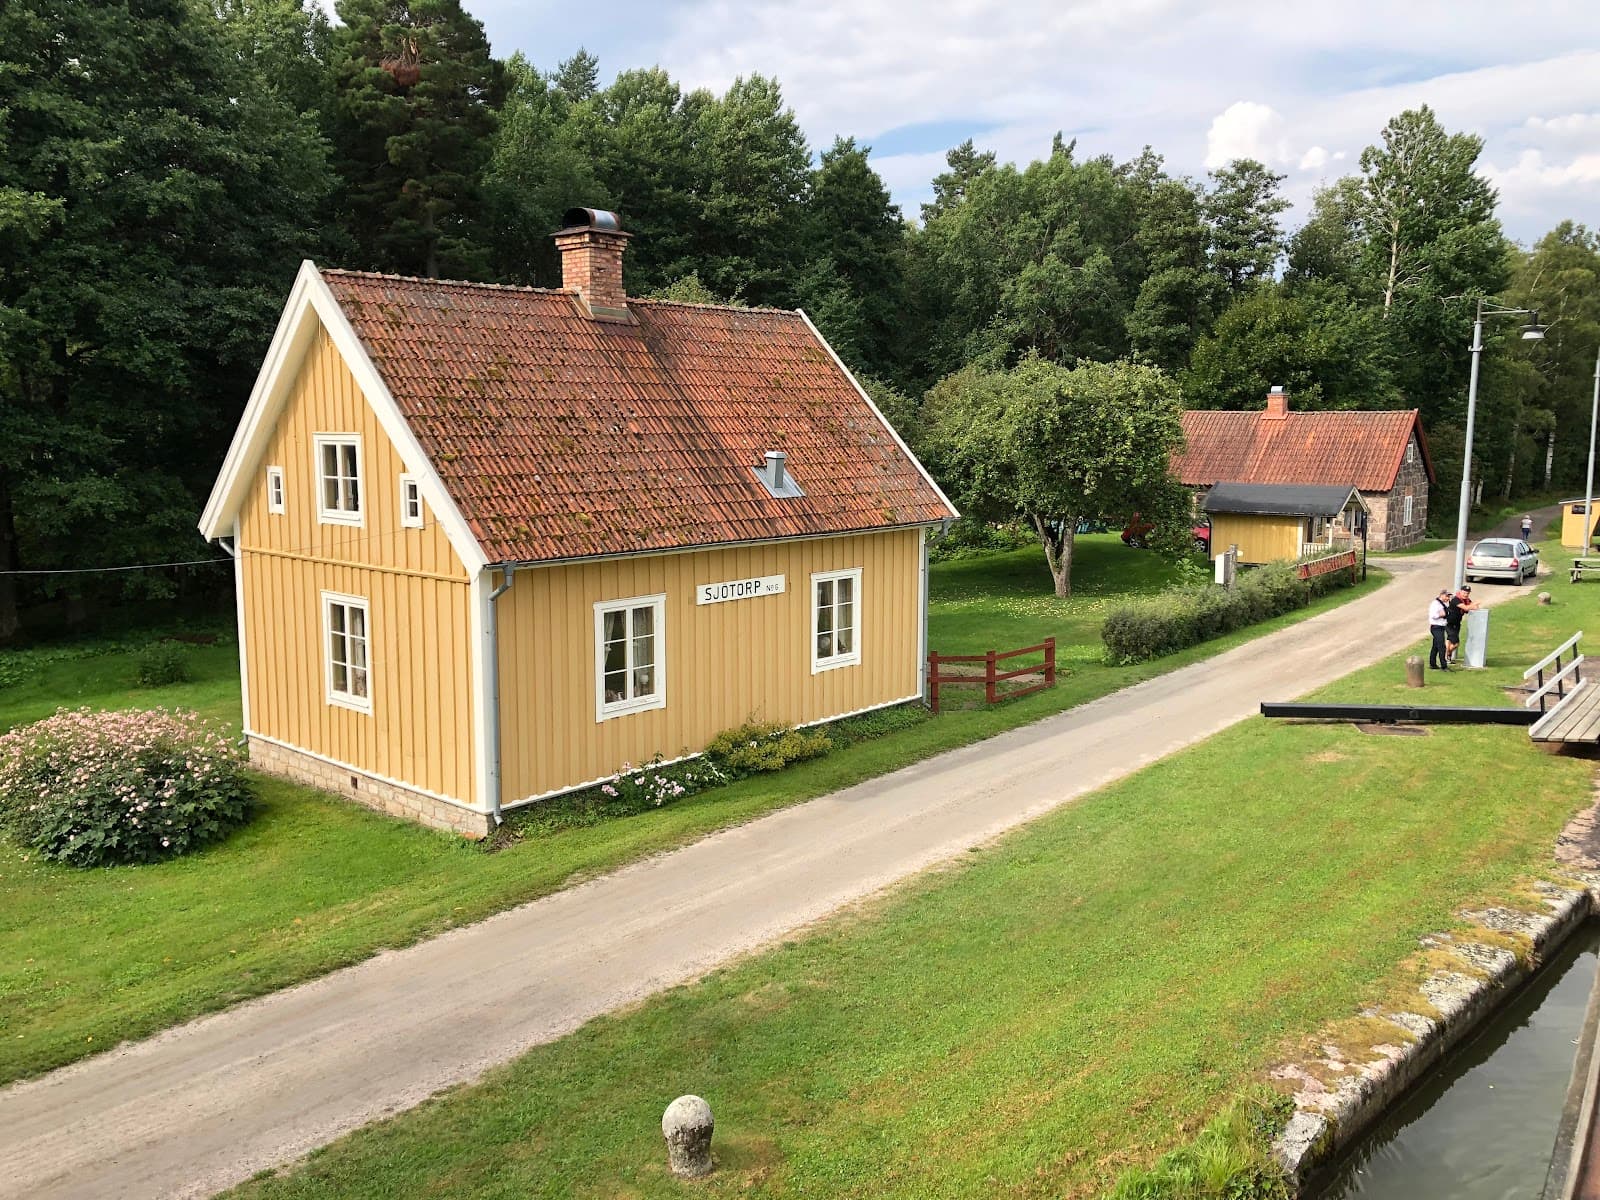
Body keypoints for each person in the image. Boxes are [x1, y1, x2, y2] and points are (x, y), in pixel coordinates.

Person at [1445, 585, 1477, 665]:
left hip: (1457, 623)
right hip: (1449, 623)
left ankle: (1447, 656)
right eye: (1464, 592)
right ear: (1460, 592)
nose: (1466, 594)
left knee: (1449, 640)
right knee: (1456, 643)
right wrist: (1472, 605)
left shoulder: (1466, 600)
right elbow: (1466, 608)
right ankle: (1447, 654)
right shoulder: (1456, 600)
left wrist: (1473, 605)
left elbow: (1475, 607)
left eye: (1467, 593)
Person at [1429, 588, 1451, 670]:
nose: (1448, 598)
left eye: (1448, 597)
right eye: (1446, 596)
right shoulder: (1435, 604)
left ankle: (1433, 664)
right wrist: (1441, 614)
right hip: (1436, 627)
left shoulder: (1443, 604)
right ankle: (1444, 666)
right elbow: (1433, 615)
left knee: (1435, 646)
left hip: (1441, 627)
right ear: (1441, 595)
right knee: (1442, 646)